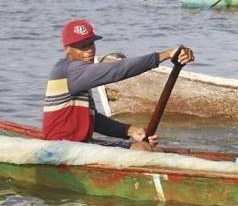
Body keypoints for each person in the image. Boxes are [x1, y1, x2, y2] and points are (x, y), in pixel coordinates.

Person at [42, 19, 195, 151]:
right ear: (67, 50)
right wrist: (166, 55)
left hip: (81, 146)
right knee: (142, 150)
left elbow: (95, 121)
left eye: (91, 44)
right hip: (62, 149)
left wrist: (131, 131)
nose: (89, 51)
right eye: (82, 47)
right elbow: (117, 71)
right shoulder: (68, 71)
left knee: (151, 148)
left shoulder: (80, 76)